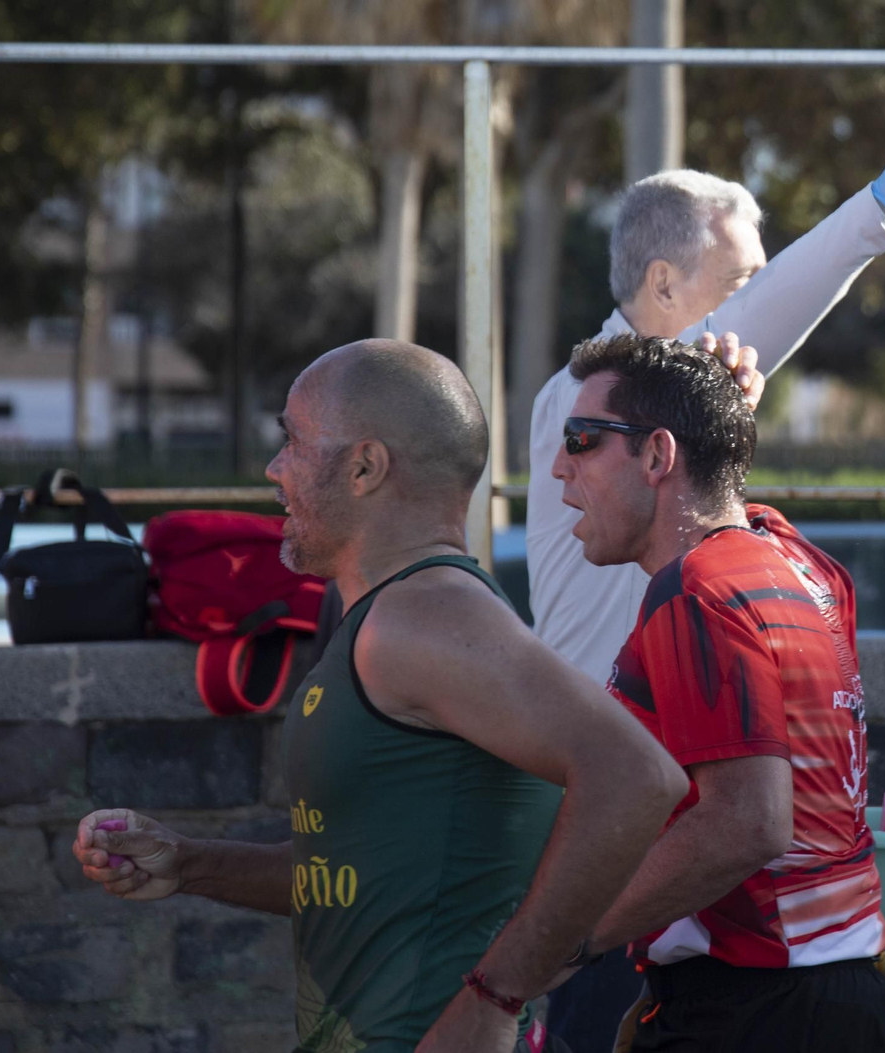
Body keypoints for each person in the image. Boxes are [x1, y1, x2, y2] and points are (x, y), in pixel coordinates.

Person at [73, 339, 689, 1053]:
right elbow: (362, 874)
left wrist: (496, 995)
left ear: (365, 467)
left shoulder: (427, 614)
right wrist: (190, 862)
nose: (275, 468)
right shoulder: (394, 614)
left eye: (293, 441)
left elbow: (638, 776)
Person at [528, 82, 885, 687]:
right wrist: (878, 206)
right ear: (662, 284)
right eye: (742, 284)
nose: (753, 304)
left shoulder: (643, 394)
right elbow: (754, 321)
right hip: (608, 732)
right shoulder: (585, 396)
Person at [547, 334, 885, 1052]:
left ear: (657, 456)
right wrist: (715, 413)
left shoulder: (695, 589)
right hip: (840, 994)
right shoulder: (800, 561)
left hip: (752, 1008)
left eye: (581, 438)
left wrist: (565, 940)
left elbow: (747, 822)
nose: (558, 466)